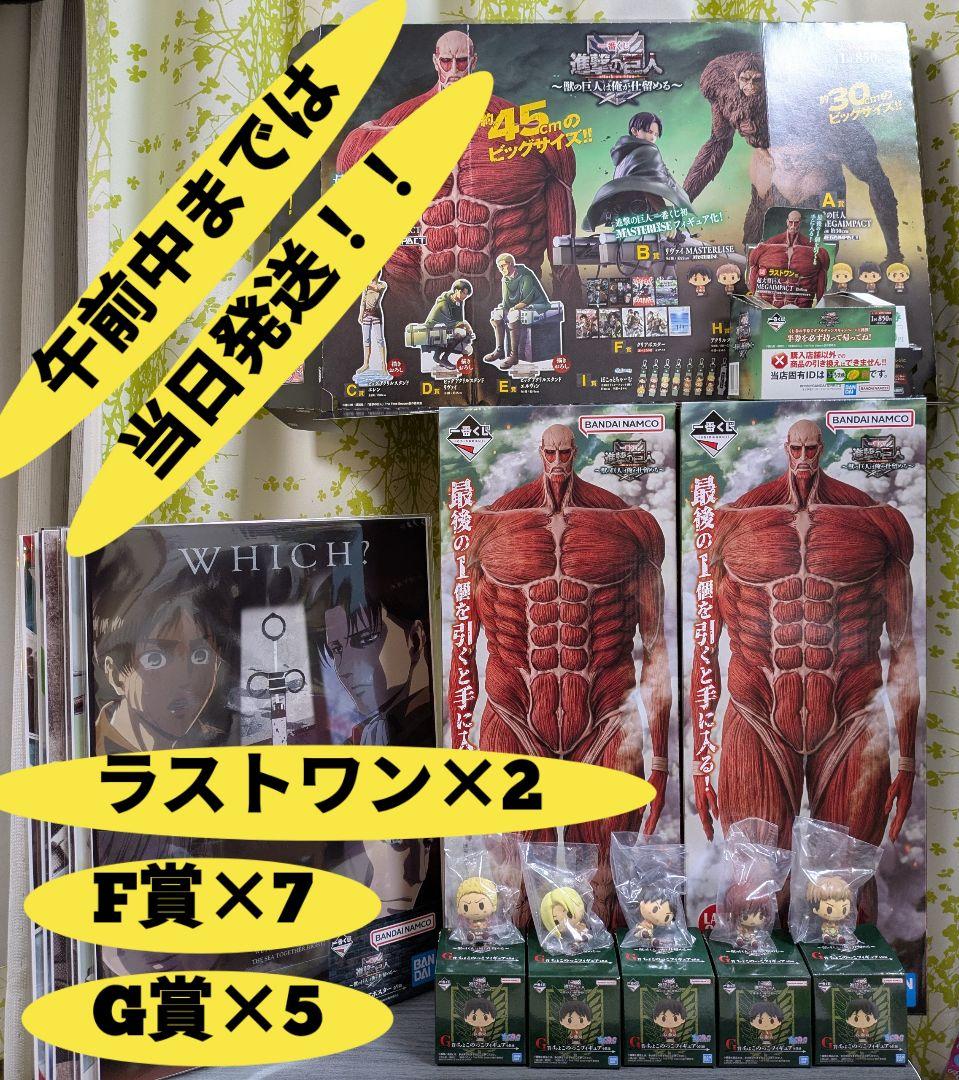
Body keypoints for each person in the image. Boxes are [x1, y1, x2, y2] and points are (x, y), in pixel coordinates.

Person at [692, 419, 918, 925]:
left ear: (822, 448)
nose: (802, 457)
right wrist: (701, 762)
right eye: (795, 447)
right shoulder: (733, 522)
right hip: (757, 711)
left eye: (811, 447)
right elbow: (706, 648)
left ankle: (844, 972)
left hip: (851, 714)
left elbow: (903, 647)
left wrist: (907, 759)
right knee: (752, 891)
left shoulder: (876, 523)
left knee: (844, 895)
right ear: (785, 448)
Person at [583, 111, 694, 232]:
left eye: (656, 134)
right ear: (635, 131)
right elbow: (650, 188)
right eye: (649, 132)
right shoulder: (648, 151)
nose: (653, 137)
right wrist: (666, 218)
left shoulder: (626, 154)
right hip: (641, 216)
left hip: (623, 217)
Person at [483, 252, 552, 370]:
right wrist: (502, 309)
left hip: (535, 304)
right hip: (517, 306)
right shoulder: (505, 279)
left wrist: (514, 308)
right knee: (496, 314)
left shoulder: (525, 276)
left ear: (511, 264)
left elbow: (527, 299)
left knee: (513, 315)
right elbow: (506, 302)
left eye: (503, 266)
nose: (501, 269)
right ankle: (499, 350)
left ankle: (514, 355)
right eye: (499, 267)